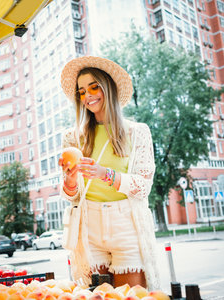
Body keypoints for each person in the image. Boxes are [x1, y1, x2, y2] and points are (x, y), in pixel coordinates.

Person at [59, 56, 160, 290]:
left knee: (133, 295)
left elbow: (144, 185)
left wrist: (106, 174)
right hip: (89, 225)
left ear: (108, 89)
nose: (88, 96)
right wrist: (70, 179)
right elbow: (71, 196)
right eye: (82, 91)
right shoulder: (73, 137)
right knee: (97, 295)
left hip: (126, 223)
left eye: (94, 87)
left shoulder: (137, 132)